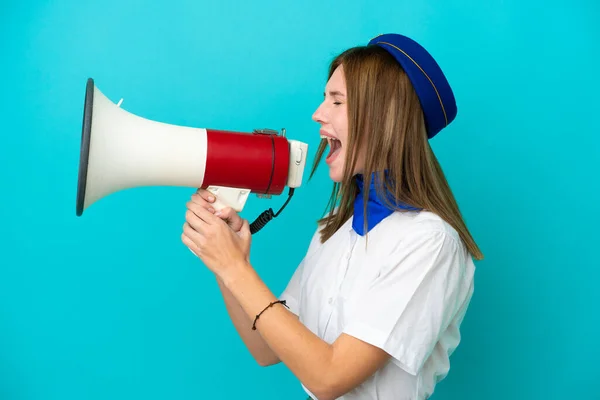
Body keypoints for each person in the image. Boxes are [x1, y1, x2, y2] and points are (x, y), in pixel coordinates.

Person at [181, 33, 484, 400]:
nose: (317, 114)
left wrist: (234, 269)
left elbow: (329, 377)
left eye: (336, 101)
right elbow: (266, 349)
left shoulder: (430, 242)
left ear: (385, 116)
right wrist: (226, 259)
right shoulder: (332, 231)